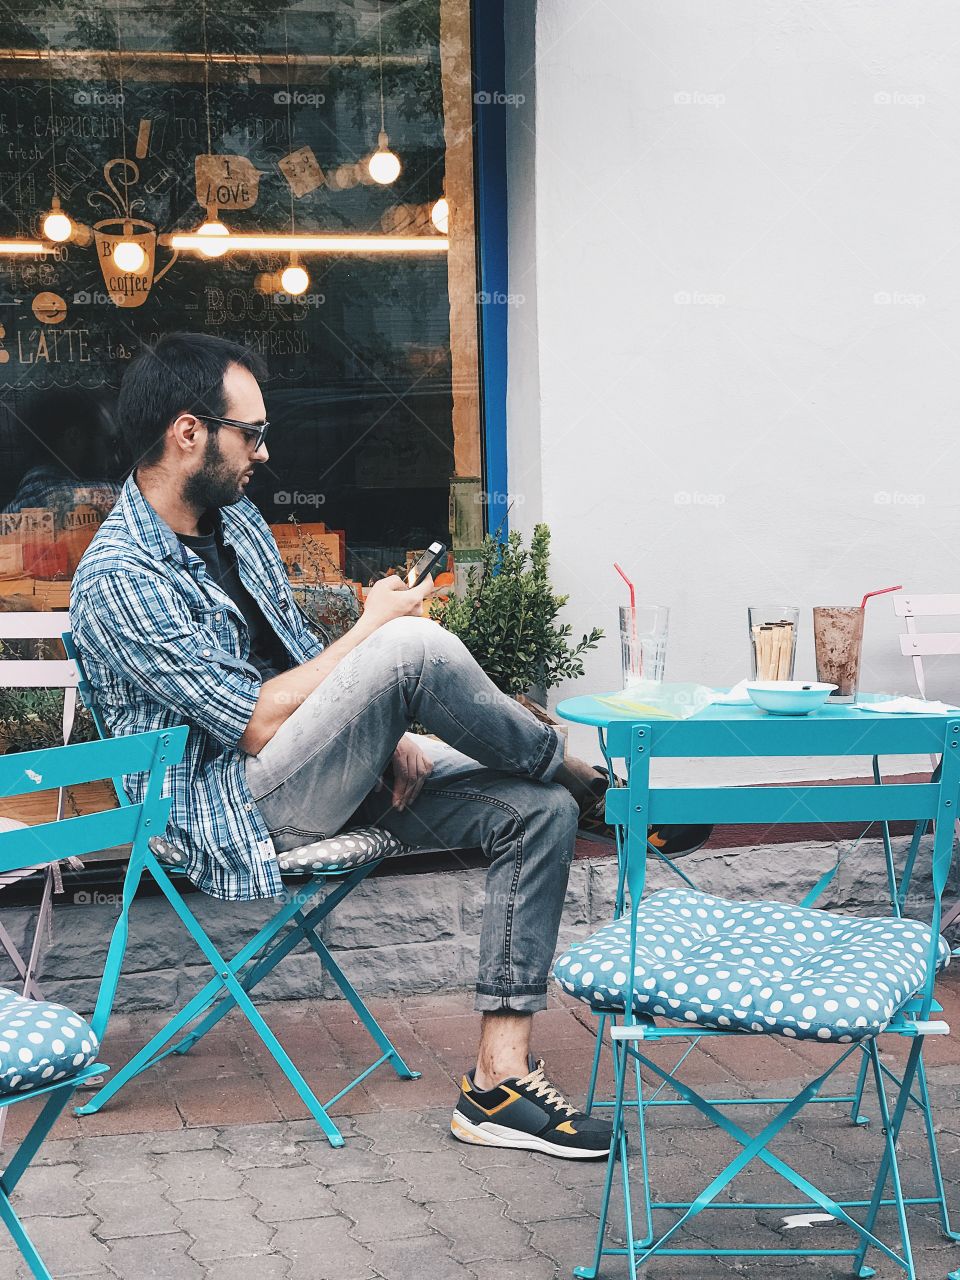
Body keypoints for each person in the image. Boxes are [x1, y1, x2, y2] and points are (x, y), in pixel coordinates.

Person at [70, 333, 702, 1161]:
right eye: (252, 433)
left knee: (536, 812)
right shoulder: (118, 576)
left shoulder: (237, 525)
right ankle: (588, 778)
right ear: (190, 433)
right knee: (407, 647)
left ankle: (497, 1083)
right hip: (226, 810)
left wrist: (386, 726)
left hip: (312, 773)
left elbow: (303, 664)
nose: (267, 450)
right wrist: (373, 638)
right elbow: (253, 721)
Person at [3, 387, 124, 524]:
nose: (116, 459)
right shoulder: (108, 499)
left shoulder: (9, 515)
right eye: (111, 444)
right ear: (73, 438)